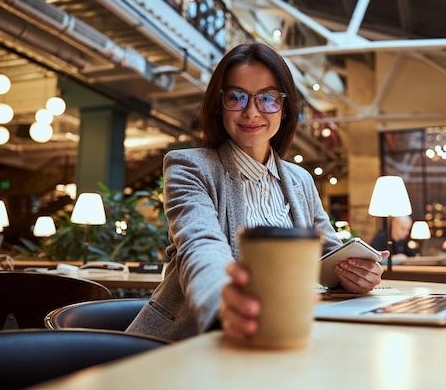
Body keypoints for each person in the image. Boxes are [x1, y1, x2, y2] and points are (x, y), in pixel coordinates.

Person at [126, 42, 389, 343]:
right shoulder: (189, 166)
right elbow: (200, 245)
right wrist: (223, 298)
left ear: (284, 108)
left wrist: (355, 274)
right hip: (190, 343)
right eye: (236, 97)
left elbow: (328, 255)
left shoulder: (300, 180)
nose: (251, 112)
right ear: (219, 105)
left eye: (267, 99)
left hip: (285, 334)